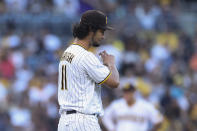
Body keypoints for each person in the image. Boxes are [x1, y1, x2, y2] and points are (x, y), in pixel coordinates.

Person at [57, 10, 120, 131]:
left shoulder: (67, 52)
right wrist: (111, 64)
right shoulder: (85, 56)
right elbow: (114, 82)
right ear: (91, 29)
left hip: (65, 122)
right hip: (83, 121)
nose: (103, 36)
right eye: (102, 31)